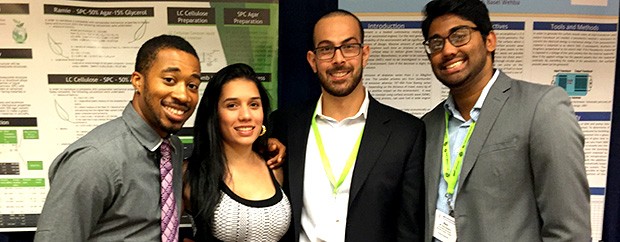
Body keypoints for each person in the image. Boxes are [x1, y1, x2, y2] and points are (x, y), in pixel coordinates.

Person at [34, 35, 286, 241]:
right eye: (169, 80)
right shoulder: (95, 159)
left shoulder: (171, 150)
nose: (183, 95)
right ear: (138, 81)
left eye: (192, 85)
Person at [420, 0, 591, 241]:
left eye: (459, 36)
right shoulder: (427, 125)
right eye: (436, 42)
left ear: (490, 40)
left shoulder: (541, 107)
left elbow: (569, 230)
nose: (447, 51)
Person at [271, 9, 425, 242]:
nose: (339, 59)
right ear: (313, 61)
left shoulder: (406, 133)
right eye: (326, 49)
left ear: (365, 54)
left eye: (349, 46)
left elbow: (408, 229)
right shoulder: (284, 124)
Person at [184, 63, 290, 241]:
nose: (246, 115)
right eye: (232, 105)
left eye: (254, 104)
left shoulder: (274, 165)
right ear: (214, 114)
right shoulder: (190, 173)